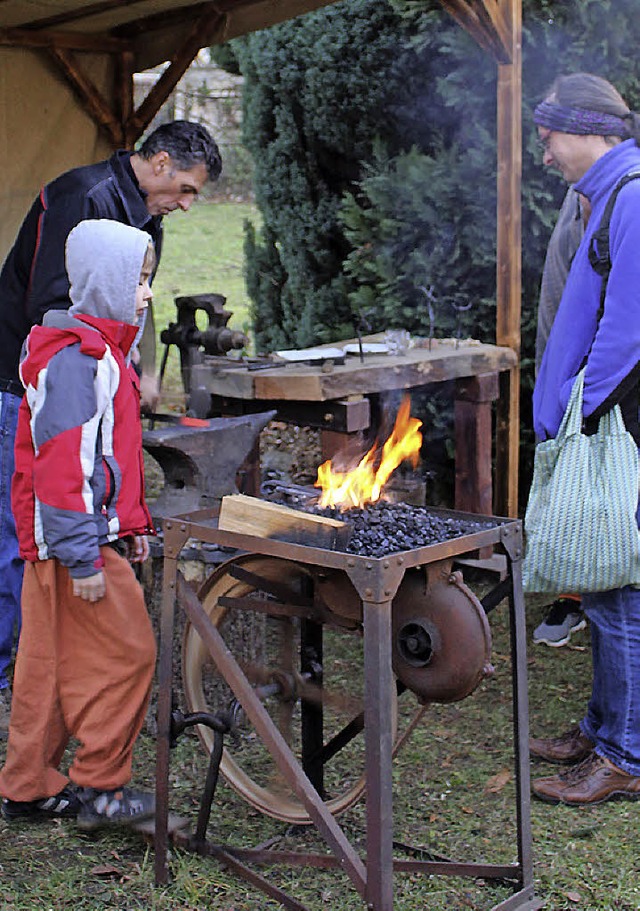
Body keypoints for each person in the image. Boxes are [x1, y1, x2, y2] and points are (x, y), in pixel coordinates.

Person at [0, 120, 222, 734]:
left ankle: (40, 662)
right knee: (23, 532)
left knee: (48, 526)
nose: (184, 204)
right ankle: (12, 669)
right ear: (156, 161)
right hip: (25, 384)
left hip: (83, 375)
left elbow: (130, 296)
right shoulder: (83, 197)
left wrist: (138, 372)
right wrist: (95, 378)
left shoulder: (146, 215)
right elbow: (52, 304)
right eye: (184, 188)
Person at [0, 219, 159, 826]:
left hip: (67, 541)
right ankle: (100, 789)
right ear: (104, 282)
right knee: (129, 654)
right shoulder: (79, 361)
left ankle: (27, 786)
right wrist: (86, 555)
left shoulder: (100, 353)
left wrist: (129, 526)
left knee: (45, 665)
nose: (146, 294)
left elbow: (106, 461)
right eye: (138, 282)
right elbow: (62, 467)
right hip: (72, 545)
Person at [528, 72, 640, 805]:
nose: (543, 152)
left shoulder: (633, 196)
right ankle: (603, 728)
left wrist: (578, 405)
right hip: (607, 417)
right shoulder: (605, 193)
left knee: (621, 588)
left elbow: (629, 328)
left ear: (587, 131)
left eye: (549, 135)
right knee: (603, 582)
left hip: (622, 424)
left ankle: (624, 757)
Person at [531, 189, 589, 648]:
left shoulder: (621, 192)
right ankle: (574, 595)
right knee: (573, 488)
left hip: (598, 375)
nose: (547, 154)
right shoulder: (578, 194)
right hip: (563, 364)